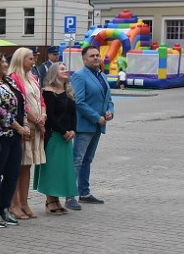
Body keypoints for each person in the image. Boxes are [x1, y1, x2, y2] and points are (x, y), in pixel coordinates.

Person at [0, 52, 29, 228]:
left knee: (12, 174)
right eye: (1, 61)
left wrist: (24, 122)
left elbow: (21, 102)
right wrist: (18, 126)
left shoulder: (9, 81)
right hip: (2, 135)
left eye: (5, 60)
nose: (5, 63)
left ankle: (4, 208)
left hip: (16, 136)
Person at [67, 45, 113, 209]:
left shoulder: (102, 75)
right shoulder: (80, 76)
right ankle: (70, 196)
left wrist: (110, 112)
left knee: (88, 159)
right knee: (77, 161)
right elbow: (79, 101)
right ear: (84, 59)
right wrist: (96, 117)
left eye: (97, 55)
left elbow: (108, 99)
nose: (96, 58)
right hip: (85, 125)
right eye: (92, 56)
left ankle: (84, 193)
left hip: (98, 125)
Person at [34, 63, 78, 214]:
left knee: (61, 170)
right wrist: (64, 131)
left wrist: (73, 130)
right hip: (54, 135)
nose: (66, 70)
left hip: (66, 137)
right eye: (62, 69)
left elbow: (73, 113)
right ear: (54, 73)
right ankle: (49, 200)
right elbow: (50, 117)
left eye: (66, 68)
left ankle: (56, 199)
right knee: (51, 169)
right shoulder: (47, 92)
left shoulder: (68, 91)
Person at [7, 47, 46, 220]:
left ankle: (24, 202)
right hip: (25, 127)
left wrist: (43, 115)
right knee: (17, 166)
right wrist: (35, 119)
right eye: (30, 59)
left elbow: (41, 100)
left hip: (36, 126)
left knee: (27, 166)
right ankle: (13, 203)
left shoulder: (34, 78)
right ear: (21, 59)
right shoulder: (14, 78)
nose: (33, 62)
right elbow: (21, 103)